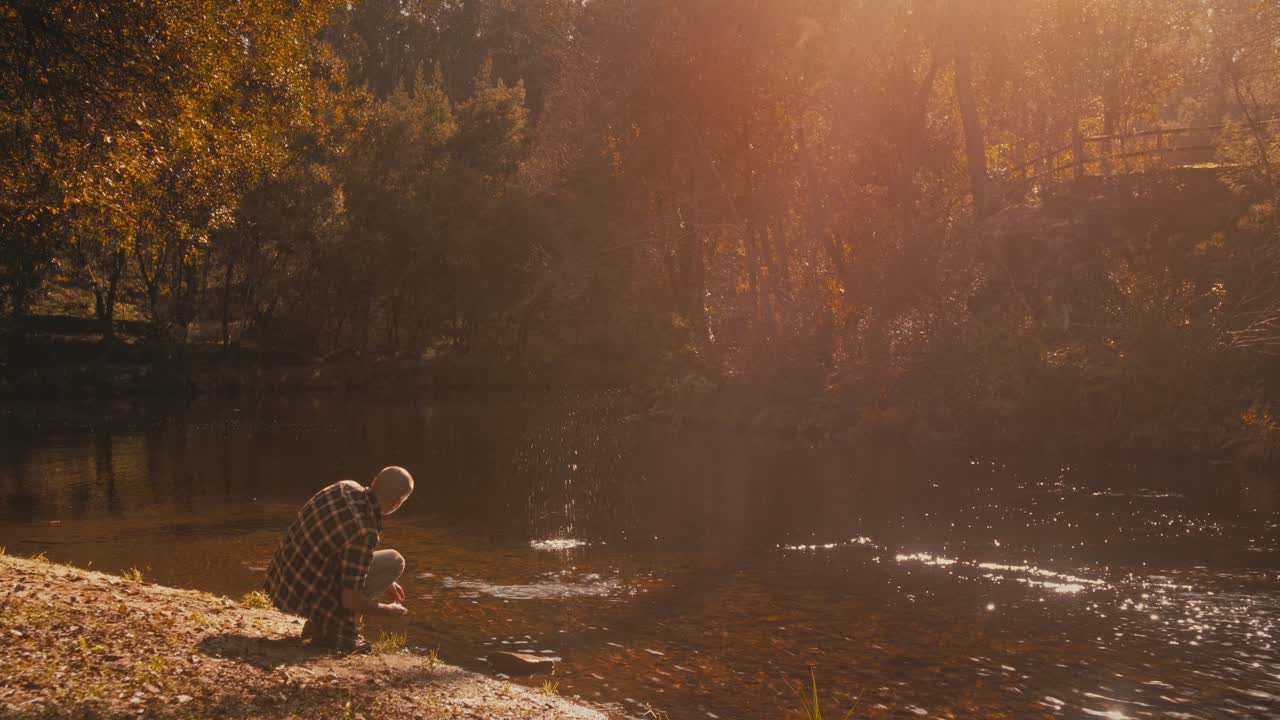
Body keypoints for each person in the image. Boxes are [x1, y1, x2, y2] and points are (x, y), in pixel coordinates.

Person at [264, 466, 414, 652]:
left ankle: (320, 622)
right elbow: (350, 601)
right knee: (395, 561)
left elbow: (337, 546)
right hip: (300, 598)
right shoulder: (365, 531)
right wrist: (386, 610)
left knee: (387, 563)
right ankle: (328, 630)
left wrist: (385, 580)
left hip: (280, 583)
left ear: (374, 480)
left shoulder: (345, 486)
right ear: (395, 503)